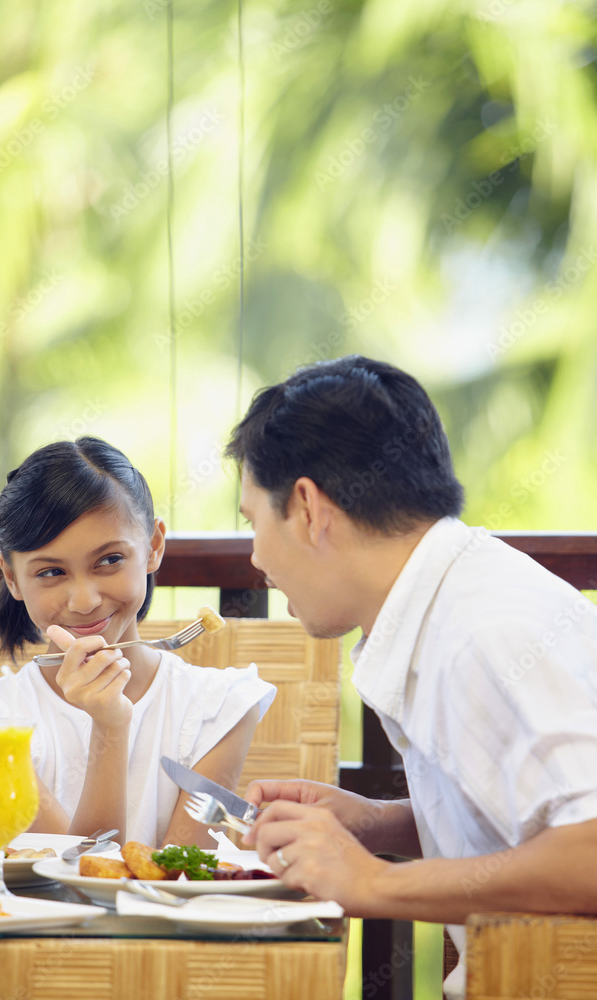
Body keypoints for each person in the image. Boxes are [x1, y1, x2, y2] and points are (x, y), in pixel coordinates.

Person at [225, 355, 597, 999]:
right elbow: (532, 819)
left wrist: (371, 883)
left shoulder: (484, 632)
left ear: (309, 508)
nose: (256, 557)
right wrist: (381, 823)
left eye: (254, 521)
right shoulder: (452, 598)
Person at [0, 437, 275, 847]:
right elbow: (71, 876)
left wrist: (113, 721)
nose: (85, 601)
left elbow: (181, 880)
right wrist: (109, 726)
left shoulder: (219, 709)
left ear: (153, 547)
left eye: (110, 560)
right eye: (50, 572)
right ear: (12, 578)